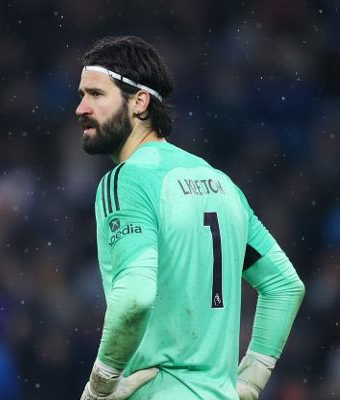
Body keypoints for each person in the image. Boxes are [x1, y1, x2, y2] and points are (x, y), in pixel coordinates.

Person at [75, 36, 305, 400]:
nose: (81, 108)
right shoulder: (222, 184)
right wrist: (249, 382)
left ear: (140, 102)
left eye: (96, 94)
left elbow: (134, 298)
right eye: (82, 94)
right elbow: (284, 285)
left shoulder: (126, 181)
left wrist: (100, 387)